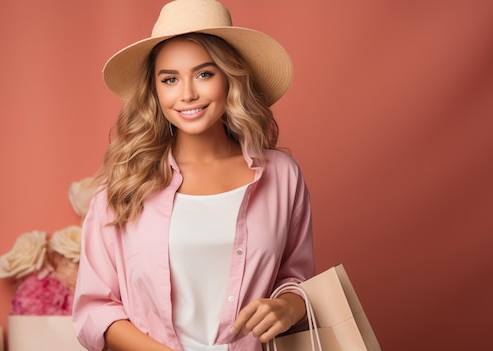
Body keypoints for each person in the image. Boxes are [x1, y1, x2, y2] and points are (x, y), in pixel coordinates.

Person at [72, 1, 315, 350]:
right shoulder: (123, 188)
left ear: (230, 78)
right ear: (155, 91)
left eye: (204, 73)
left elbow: (298, 278)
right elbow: (94, 309)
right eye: (170, 79)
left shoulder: (282, 176)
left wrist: (287, 307)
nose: (187, 94)